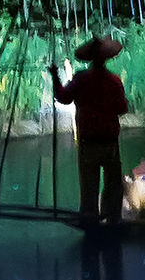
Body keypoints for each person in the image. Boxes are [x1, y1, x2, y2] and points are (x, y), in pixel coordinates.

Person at [48, 34, 130, 226]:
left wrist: (54, 76)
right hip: (109, 141)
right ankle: (113, 219)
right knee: (113, 185)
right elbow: (122, 108)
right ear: (106, 58)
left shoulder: (81, 79)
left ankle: (90, 221)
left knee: (89, 186)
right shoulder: (114, 81)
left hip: (88, 142)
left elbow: (63, 97)